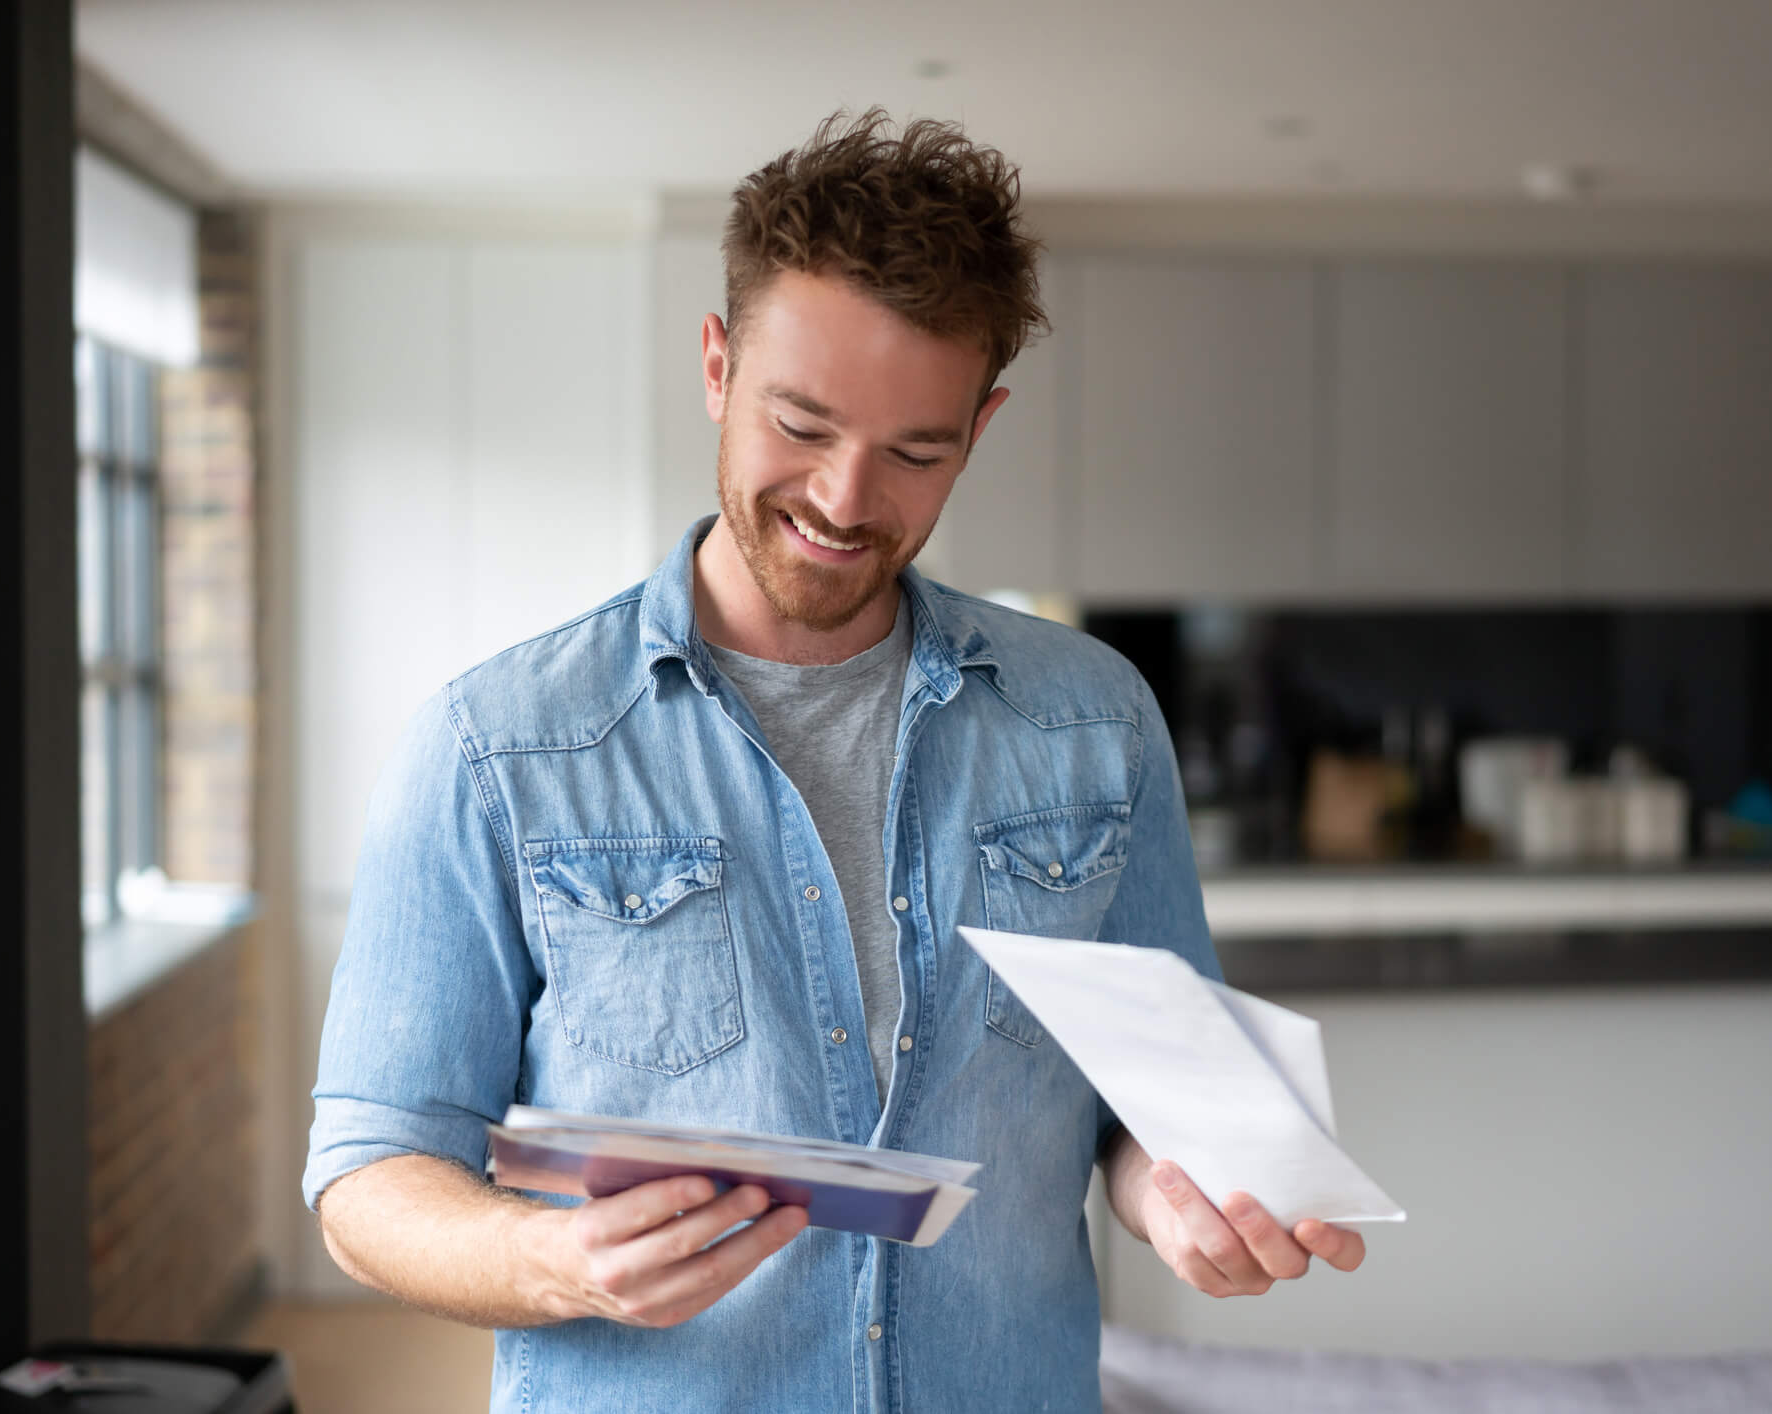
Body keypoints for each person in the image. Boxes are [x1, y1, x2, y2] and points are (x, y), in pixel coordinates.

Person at [304, 108, 1365, 1413]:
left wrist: (1182, 1197)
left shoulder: (1095, 721)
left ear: (980, 426)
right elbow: (367, 1178)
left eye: (916, 451)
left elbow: (1143, 1113)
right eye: (801, 425)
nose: (846, 500)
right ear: (716, 365)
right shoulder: (493, 745)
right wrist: (554, 1258)